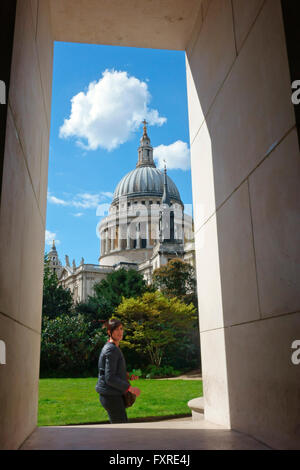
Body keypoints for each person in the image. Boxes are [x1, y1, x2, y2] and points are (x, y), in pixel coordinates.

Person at [95, 318, 141, 423]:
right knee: (121, 429)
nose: (120, 332)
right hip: (111, 396)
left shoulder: (112, 347)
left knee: (120, 428)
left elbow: (112, 371)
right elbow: (110, 378)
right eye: (116, 329)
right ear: (109, 332)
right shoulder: (111, 350)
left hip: (111, 395)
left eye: (121, 329)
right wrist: (130, 388)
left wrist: (127, 376)